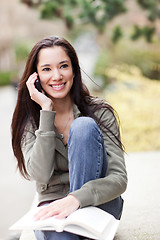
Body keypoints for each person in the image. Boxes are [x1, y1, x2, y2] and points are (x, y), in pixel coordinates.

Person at [11, 36, 127, 240]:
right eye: (47, 69)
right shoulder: (30, 122)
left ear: (74, 70)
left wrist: (75, 199)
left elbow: (119, 179)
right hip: (53, 208)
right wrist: (46, 112)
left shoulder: (99, 112)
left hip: (98, 203)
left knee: (83, 127)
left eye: (63, 66)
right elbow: (40, 175)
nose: (56, 76)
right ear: (35, 76)